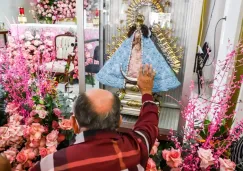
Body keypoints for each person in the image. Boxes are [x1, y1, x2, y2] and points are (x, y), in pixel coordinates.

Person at [30, 64, 159, 171]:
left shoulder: (51, 165)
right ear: (119, 121)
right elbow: (148, 124)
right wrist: (147, 91)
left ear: (74, 124)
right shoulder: (134, 150)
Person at [96, 14, 180, 92]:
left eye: (140, 22)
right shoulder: (134, 32)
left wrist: (142, 42)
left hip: (141, 51)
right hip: (134, 50)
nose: (138, 24)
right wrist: (133, 44)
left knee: (141, 62)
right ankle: (132, 76)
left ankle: (140, 78)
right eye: (137, 22)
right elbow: (130, 42)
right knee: (131, 62)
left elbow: (147, 40)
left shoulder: (144, 33)